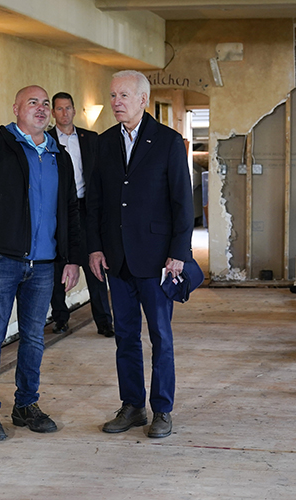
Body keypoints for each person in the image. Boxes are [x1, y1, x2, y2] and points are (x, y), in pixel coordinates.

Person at [0, 85, 82, 442]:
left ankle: (26, 405)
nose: (40, 109)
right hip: (0, 260)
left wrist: (71, 260)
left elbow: (70, 210)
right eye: (32, 103)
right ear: (16, 109)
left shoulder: (60, 156)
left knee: (34, 338)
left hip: (43, 264)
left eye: (44, 104)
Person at [87, 71, 194, 439]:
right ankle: (132, 406)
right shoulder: (103, 144)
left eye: (124, 95)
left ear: (144, 100)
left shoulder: (168, 142)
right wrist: (95, 248)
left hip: (157, 260)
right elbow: (96, 203)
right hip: (117, 260)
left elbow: (183, 202)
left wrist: (178, 252)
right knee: (125, 337)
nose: (116, 101)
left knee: (161, 337)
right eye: (113, 94)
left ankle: (162, 409)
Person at [48, 92, 114, 338]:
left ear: (74, 111)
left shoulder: (91, 139)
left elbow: (102, 176)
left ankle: (104, 322)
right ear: (53, 113)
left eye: (68, 108)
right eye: (59, 109)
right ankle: (60, 318)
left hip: (86, 208)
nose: (65, 113)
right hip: (58, 210)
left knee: (94, 263)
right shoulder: (45, 139)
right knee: (58, 264)